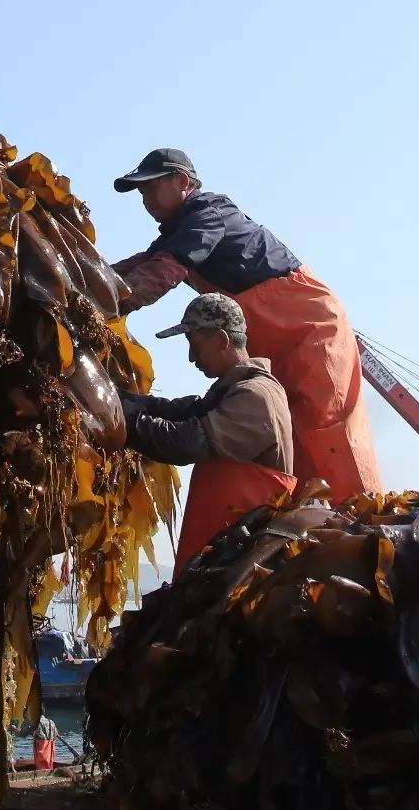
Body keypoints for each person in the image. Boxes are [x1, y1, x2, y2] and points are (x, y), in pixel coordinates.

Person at [111, 148, 381, 501]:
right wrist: (84, 278)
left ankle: (362, 524)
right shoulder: (177, 234)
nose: (145, 199)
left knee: (326, 429)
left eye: (151, 187)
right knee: (284, 437)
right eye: (140, 193)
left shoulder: (208, 212)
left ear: (183, 181)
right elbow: (144, 263)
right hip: (270, 336)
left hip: (311, 327)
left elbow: (166, 268)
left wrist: (104, 305)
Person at [120, 293, 297, 575]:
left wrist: (116, 420)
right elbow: (177, 411)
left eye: (194, 344)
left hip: (244, 564)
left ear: (222, 340)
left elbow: (185, 442)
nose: (191, 357)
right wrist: (114, 397)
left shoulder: (256, 396)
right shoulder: (232, 390)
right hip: (221, 554)